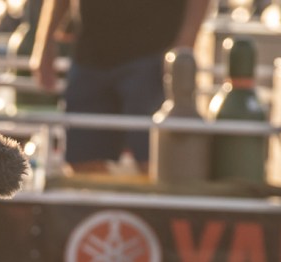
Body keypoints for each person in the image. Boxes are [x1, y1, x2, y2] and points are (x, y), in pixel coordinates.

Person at [30, 0, 211, 172]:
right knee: (83, 162)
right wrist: (44, 43)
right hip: (89, 56)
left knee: (155, 161)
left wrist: (185, 45)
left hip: (152, 57)